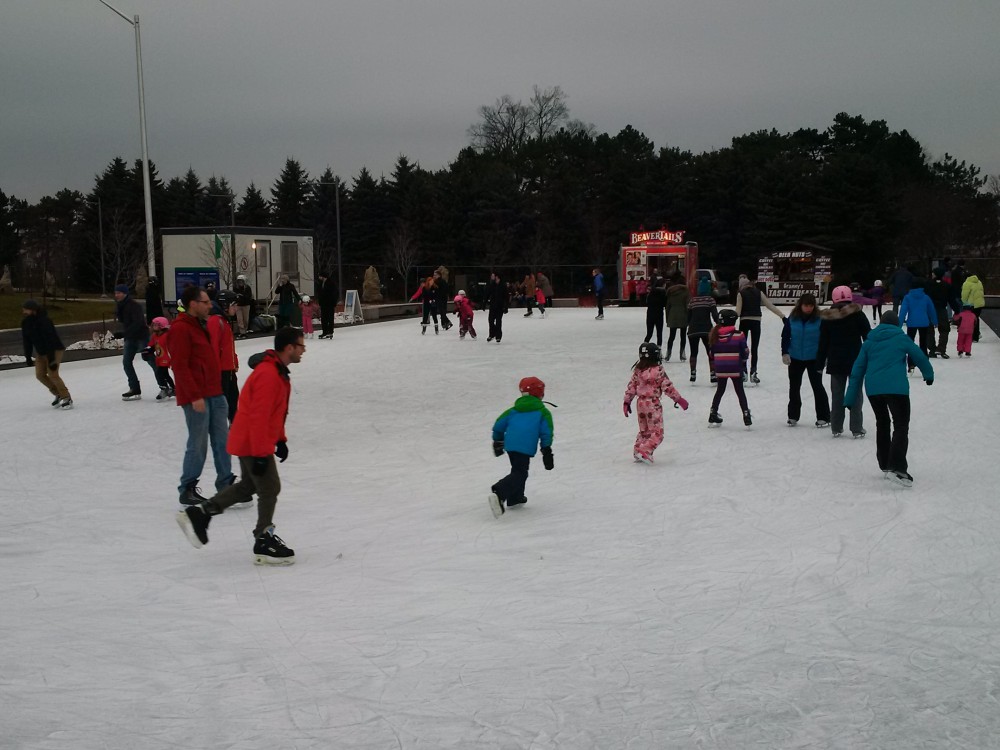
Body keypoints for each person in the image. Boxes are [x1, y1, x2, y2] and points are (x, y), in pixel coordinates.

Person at [176, 326, 304, 564]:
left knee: (247, 486)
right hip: (252, 442)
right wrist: (259, 453)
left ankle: (201, 513)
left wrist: (280, 439)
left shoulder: (277, 371)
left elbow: (276, 413)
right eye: (301, 346)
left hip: (252, 440)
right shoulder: (269, 374)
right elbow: (259, 416)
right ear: (289, 348)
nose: (303, 352)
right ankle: (263, 538)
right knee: (270, 487)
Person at [845, 311, 933, 487]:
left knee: (882, 423)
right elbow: (920, 356)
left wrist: (849, 397)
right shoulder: (901, 338)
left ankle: (885, 463)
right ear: (897, 324)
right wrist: (928, 374)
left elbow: (857, 370)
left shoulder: (869, 342)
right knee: (900, 425)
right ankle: (898, 467)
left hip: (874, 390)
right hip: (897, 389)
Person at [170, 285, 234, 506]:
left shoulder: (201, 324)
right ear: (192, 304)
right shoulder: (180, 329)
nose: (210, 306)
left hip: (215, 393)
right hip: (197, 397)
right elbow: (179, 366)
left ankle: (226, 485)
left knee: (223, 441)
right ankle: (187, 487)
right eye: (205, 302)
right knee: (198, 444)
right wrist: (194, 396)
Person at [488, 376, 554, 518]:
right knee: (520, 472)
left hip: (510, 445)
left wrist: (497, 440)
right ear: (540, 393)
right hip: (525, 447)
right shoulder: (542, 412)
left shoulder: (513, 410)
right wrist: (546, 450)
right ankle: (500, 491)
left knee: (518, 469)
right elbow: (546, 432)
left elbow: (498, 425)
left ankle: (516, 497)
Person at [817, 286, 871, 438]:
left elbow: (823, 342)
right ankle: (856, 428)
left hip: (835, 361)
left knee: (837, 394)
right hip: (856, 360)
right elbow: (868, 336)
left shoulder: (827, 317)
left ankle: (836, 426)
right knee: (856, 394)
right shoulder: (858, 314)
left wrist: (820, 363)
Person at [623, 342, 688, 463]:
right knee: (657, 432)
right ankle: (645, 450)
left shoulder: (638, 370)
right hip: (653, 404)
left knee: (645, 430)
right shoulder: (658, 371)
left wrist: (627, 402)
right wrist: (679, 399)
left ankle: (638, 450)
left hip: (640, 404)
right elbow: (667, 387)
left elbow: (631, 386)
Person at [781, 292, 831, 427]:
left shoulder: (820, 319)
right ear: (800, 305)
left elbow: (825, 339)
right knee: (794, 387)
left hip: (814, 358)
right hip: (795, 358)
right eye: (806, 305)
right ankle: (793, 416)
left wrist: (824, 356)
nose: (809, 308)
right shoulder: (793, 318)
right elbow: (785, 336)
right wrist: (785, 352)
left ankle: (824, 416)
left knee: (817, 386)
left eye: (811, 306)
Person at [21, 299, 72, 409]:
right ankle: (58, 394)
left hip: (54, 349)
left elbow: (50, 339)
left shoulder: (45, 321)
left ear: (33, 310)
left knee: (53, 374)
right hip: (41, 352)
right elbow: (27, 341)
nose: (24, 312)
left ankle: (66, 397)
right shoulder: (25, 323)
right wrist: (28, 357)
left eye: (26, 309)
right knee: (40, 375)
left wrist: (52, 359)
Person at [734, 276, 785, 384]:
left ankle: (743, 371)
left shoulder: (741, 294)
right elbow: (770, 305)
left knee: (742, 347)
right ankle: (754, 372)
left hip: (744, 321)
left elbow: (738, 312)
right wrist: (782, 316)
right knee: (754, 348)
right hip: (756, 321)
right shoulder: (758, 292)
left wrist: (729, 322)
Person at [706, 309, 752, 428]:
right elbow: (745, 351)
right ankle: (746, 414)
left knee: (720, 390)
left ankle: (713, 412)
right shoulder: (739, 335)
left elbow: (711, 353)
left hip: (720, 368)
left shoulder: (714, 335)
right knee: (740, 391)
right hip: (735, 367)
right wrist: (743, 361)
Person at [114, 283, 154, 400]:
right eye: (116, 293)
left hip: (142, 336)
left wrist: (124, 334)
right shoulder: (121, 305)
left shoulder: (134, 306)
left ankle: (165, 385)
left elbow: (138, 323)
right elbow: (123, 320)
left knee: (150, 359)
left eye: (119, 293)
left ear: (125, 293)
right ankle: (134, 388)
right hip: (130, 337)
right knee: (126, 362)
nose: (117, 295)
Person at [209, 290, 241, 424]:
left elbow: (228, 345)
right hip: (221, 371)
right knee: (223, 402)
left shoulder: (224, 320)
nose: (236, 308)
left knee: (233, 398)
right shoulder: (216, 321)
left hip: (229, 368)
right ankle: (222, 430)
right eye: (234, 305)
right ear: (225, 305)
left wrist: (235, 360)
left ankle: (235, 425)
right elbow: (213, 348)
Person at [686, 277, 719, 383]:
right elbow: (715, 316)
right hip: (707, 330)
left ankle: (692, 372)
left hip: (693, 330)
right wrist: (720, 324)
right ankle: (713, 374)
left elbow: (688, 317)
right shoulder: (710, 300)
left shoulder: (693, 300)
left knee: (693, 352)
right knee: (710, 351)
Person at [898, 281, 937, 369]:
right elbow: (931, 310)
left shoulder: (907, 297)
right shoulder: (926, 297)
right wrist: (935, 321)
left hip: (912, 323)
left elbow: (903, 311)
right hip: (924, 322)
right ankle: (924, 364)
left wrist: (899, 324)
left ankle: (911, 364)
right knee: (923, 343)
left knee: (910, 343)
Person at [144, 316, 176, 401]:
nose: (153, 326)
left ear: (162, 326)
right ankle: (173, 389)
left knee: (159, 373)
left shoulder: (166, 335)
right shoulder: (155, 336)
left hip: (167, 358)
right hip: (160, 359)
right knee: (165, 374)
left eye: (156, 325)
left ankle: (164, 389)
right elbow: (151, 345)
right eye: (153, 325)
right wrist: (147, 350)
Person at [924, 270, 952, 358]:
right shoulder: (946, 286)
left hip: (930, 309)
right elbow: (951, 299)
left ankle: (932, 349)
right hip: (941, 309)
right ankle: (941, 348)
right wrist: (957, 310)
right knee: (944, 329)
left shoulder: (928, 284)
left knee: (929, 330)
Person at [664, 274, 689, 361]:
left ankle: (668, 353)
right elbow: (687, 305)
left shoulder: (671, 292)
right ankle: (682, 353)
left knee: (671, 336)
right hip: (683, 314)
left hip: (672, 314)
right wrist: (689, 316)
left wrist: (667, 318)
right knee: (683, 336)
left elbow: (668, 306)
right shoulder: (685, 291)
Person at [961, 272, 985, 343]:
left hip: (970, 304)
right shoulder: (979, 282)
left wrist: (964, 302)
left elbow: (964, 295)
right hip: (979, 304)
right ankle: (976, 336)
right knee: (976, 319)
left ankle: (971, 336)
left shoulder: (967, 283)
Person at [644, 276, 667, 347]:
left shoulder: (652, 292)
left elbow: (647, 302)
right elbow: (665, 304)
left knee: (649, 333)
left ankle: (644, 347)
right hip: (659, 314)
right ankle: (659, 350)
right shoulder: (663, 293)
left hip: (650, 314)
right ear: (663, 284)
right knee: (659, 334)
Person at [485, 271, 507, 343]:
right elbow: (487, 294)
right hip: (492, 306)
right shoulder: (492, 285)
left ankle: (498, 336)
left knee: (498, 321)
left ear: (497, 277)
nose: (491, 277)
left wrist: (505, 307)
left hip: (500, 307)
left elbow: (506, 296)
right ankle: (492, 334)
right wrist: (484, 303)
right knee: (490, 320)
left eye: (493, 276)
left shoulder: (503, 285)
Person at [316, 272, 338, 339]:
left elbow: (335, 293)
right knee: (324, 318)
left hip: (330, 303)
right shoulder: (320, 283)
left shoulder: (331, 283)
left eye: (320, 276)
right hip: (323, 304)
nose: (319, 278)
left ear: (323, 276)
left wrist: (334, 302)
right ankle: (324, 332)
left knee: (330, 318)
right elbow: (319, 293)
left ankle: (330, 332)